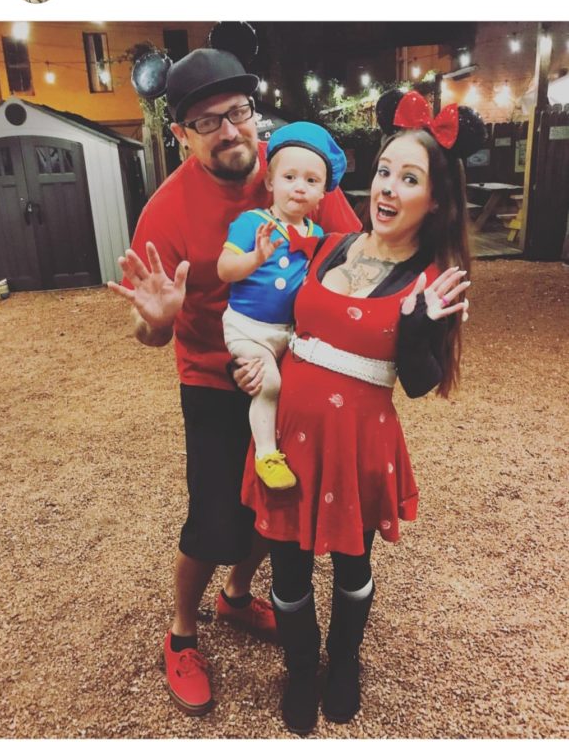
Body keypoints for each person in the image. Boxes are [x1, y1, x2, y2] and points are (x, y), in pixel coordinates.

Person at [107, 47, 361, 716]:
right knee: (215, 519)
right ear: (181, 135)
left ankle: (239, 597)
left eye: (239, 112)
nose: (229, 131)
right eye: (207, 120)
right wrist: (156, 322)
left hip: (296, 368)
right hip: (212, 377)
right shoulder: (165, 212)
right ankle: (183, 632)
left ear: (256, 112)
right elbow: (148, 332)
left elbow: (353, 261)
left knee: (275, 507)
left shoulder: (294, 169)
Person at [240, 89, 487, 734]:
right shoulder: (327, 245)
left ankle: (343, 660)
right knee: (288, 566)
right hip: (287, 439)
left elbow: (421, 384)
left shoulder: (433, 278)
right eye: (383, 170)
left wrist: (417, 330)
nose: (388, 186)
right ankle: (300, 665)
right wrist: (254, 359)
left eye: (409, 178)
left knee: (353, 563)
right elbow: (270, 313)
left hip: (359, 443)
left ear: (434, 201)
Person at [217, 122, 347, 490]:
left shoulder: (317, 235)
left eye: (311, 181)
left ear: (323, 193)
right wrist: (255, 259)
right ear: (270, 182)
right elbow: (224, 270)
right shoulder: (252, 223)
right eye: (290, 176)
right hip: (248, 328)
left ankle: (309, 457)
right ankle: (266, 456)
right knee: (269, 383)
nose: (300, 187)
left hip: (289, 334)